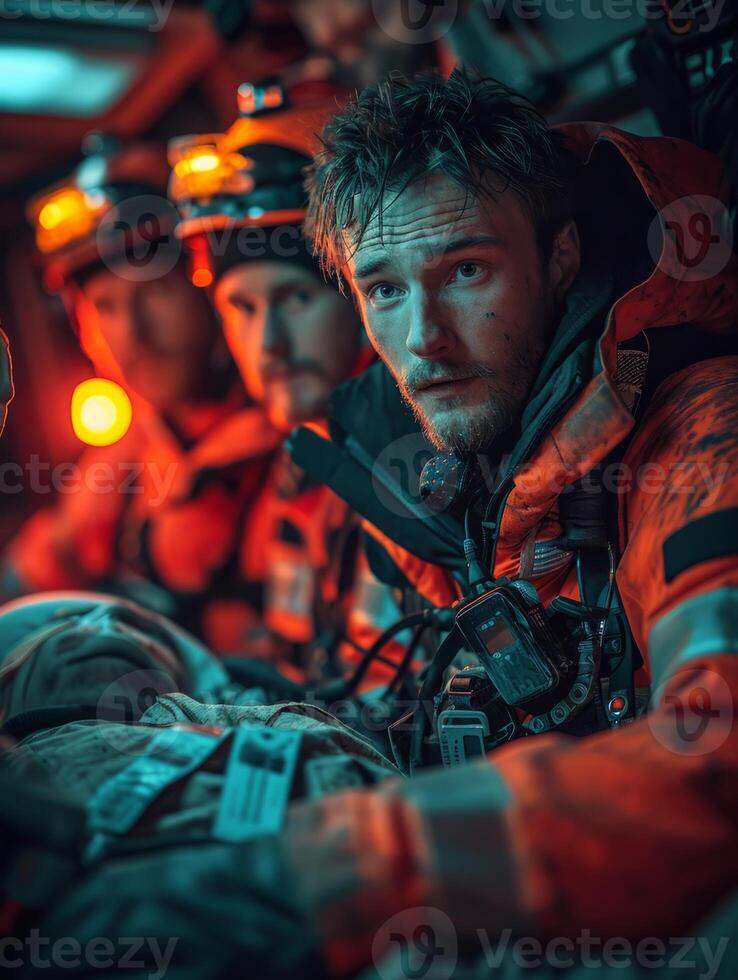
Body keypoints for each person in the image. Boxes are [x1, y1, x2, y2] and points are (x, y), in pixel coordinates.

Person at [267, 68, 738, 974]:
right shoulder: (428, 487)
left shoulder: (703, 436)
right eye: (384, 291)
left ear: (560, 258)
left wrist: (348, 870)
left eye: (466, 270)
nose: (425, 341)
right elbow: (405, 714)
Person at [168, 79, 407, 687]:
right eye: (241, 308)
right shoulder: (288, 465)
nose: (269, 343)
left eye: (297, 297)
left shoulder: (423, 463)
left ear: (362, 296)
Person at [1, 136, 280, 650]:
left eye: (154, 290)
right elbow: (29, 575)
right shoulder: (125, 466)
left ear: (209, 287)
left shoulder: (294, 430)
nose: (132, 330)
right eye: (105, 306)